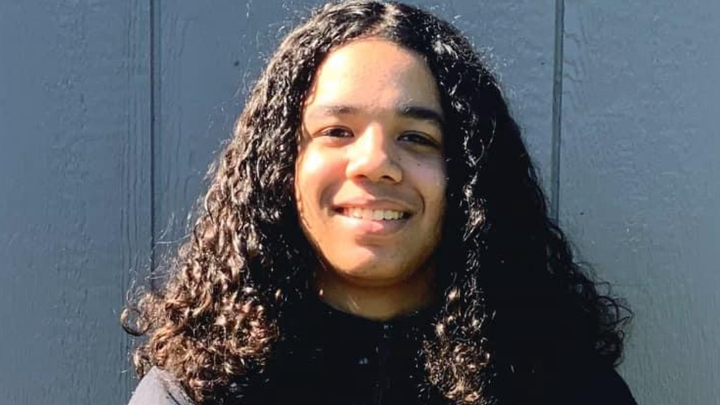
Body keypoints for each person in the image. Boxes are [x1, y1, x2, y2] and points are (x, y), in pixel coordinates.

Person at [122, 1, 638, 404]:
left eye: (416, 137)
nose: (374, 162)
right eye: (336, 131)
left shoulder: (566, 388)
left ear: (470, 176)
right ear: (281, 166)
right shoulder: (195, 392)